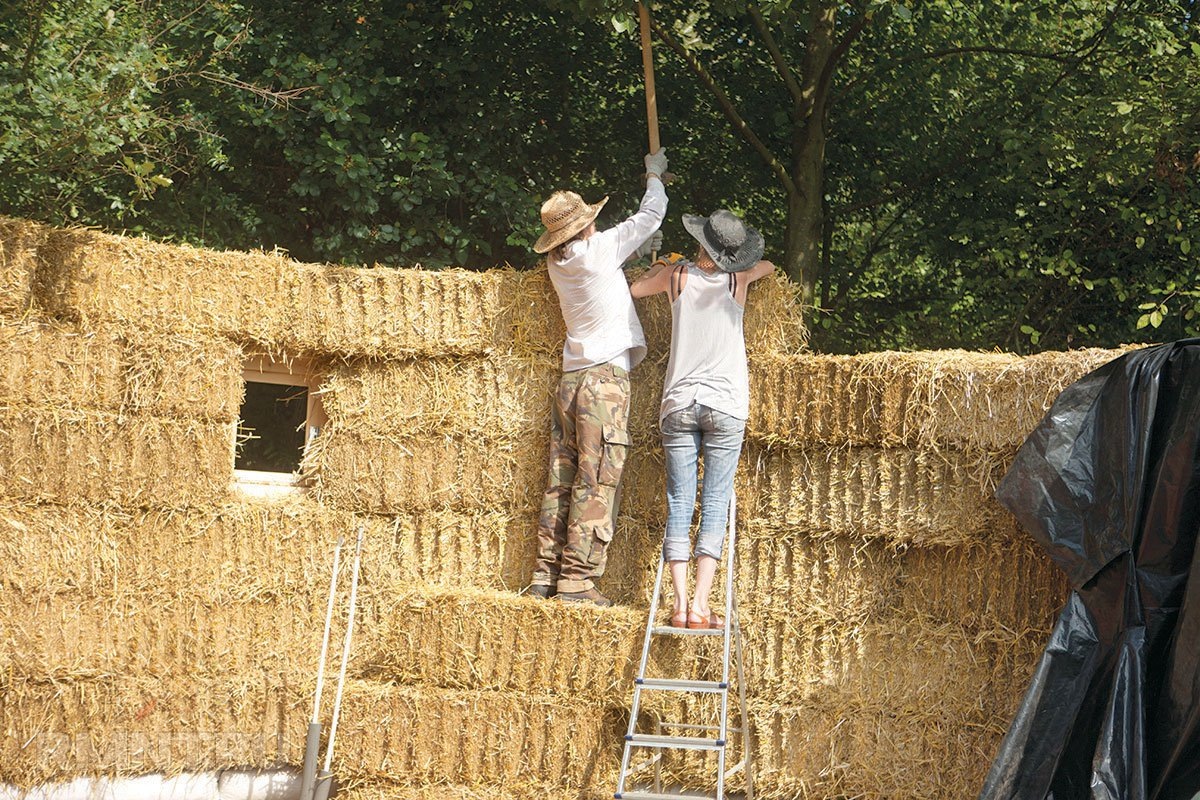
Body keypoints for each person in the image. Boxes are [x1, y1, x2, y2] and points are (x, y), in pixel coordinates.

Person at [524, 149, 670, 607]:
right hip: (603, 381)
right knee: (598, 477)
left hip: (570, 381)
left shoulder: (559, 263)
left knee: (562, 477)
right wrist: (654, 173)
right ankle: (578, 581)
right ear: (587, 225)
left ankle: (546, 575)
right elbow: (653, 212)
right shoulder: (601, 248)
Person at [630, 209, 775, 628]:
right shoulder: (739, 279)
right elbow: (768, 266)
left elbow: (636, 290)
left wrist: (664, 265)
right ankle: (700, 605)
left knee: (680, 502)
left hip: (678, 402)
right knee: (714, 502)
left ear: (699, 242)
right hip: (726, 403)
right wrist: (740, 263)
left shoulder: (675, 278)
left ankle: (676, 605)